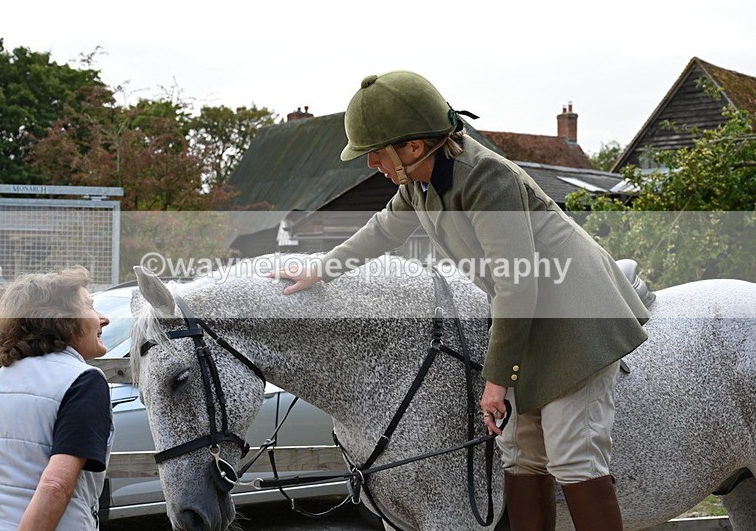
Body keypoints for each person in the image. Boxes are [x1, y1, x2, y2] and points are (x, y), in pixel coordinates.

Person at [273, 71, 649, 530]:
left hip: (574, 315)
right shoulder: (419, 183)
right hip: (526, 318)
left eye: (376, 152)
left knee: (573, 457)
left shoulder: (487, 177)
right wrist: (319, 268)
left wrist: (497, 380)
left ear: (414, 146)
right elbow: (383, 230)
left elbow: (516, 284)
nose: (371, 164)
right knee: (520, 455)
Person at [0, 266, 113, 530]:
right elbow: (55, 486)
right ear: (63, 320)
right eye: (90, 307)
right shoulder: (83, 382)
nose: (104, 319)